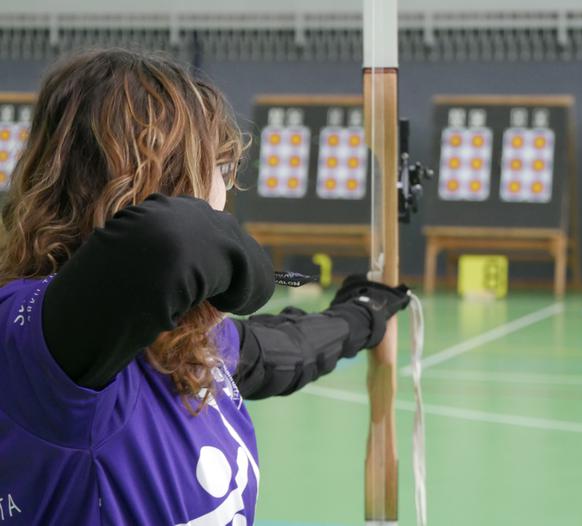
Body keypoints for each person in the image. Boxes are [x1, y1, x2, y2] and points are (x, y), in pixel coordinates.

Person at [0, 49, 409, 525]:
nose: (225, 190)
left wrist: (363, 314)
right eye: (219, 167)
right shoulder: (36, 343)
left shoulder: (177, 337)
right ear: (162, 178)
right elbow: (174, 240)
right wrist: (250, 271)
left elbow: (282, 351)